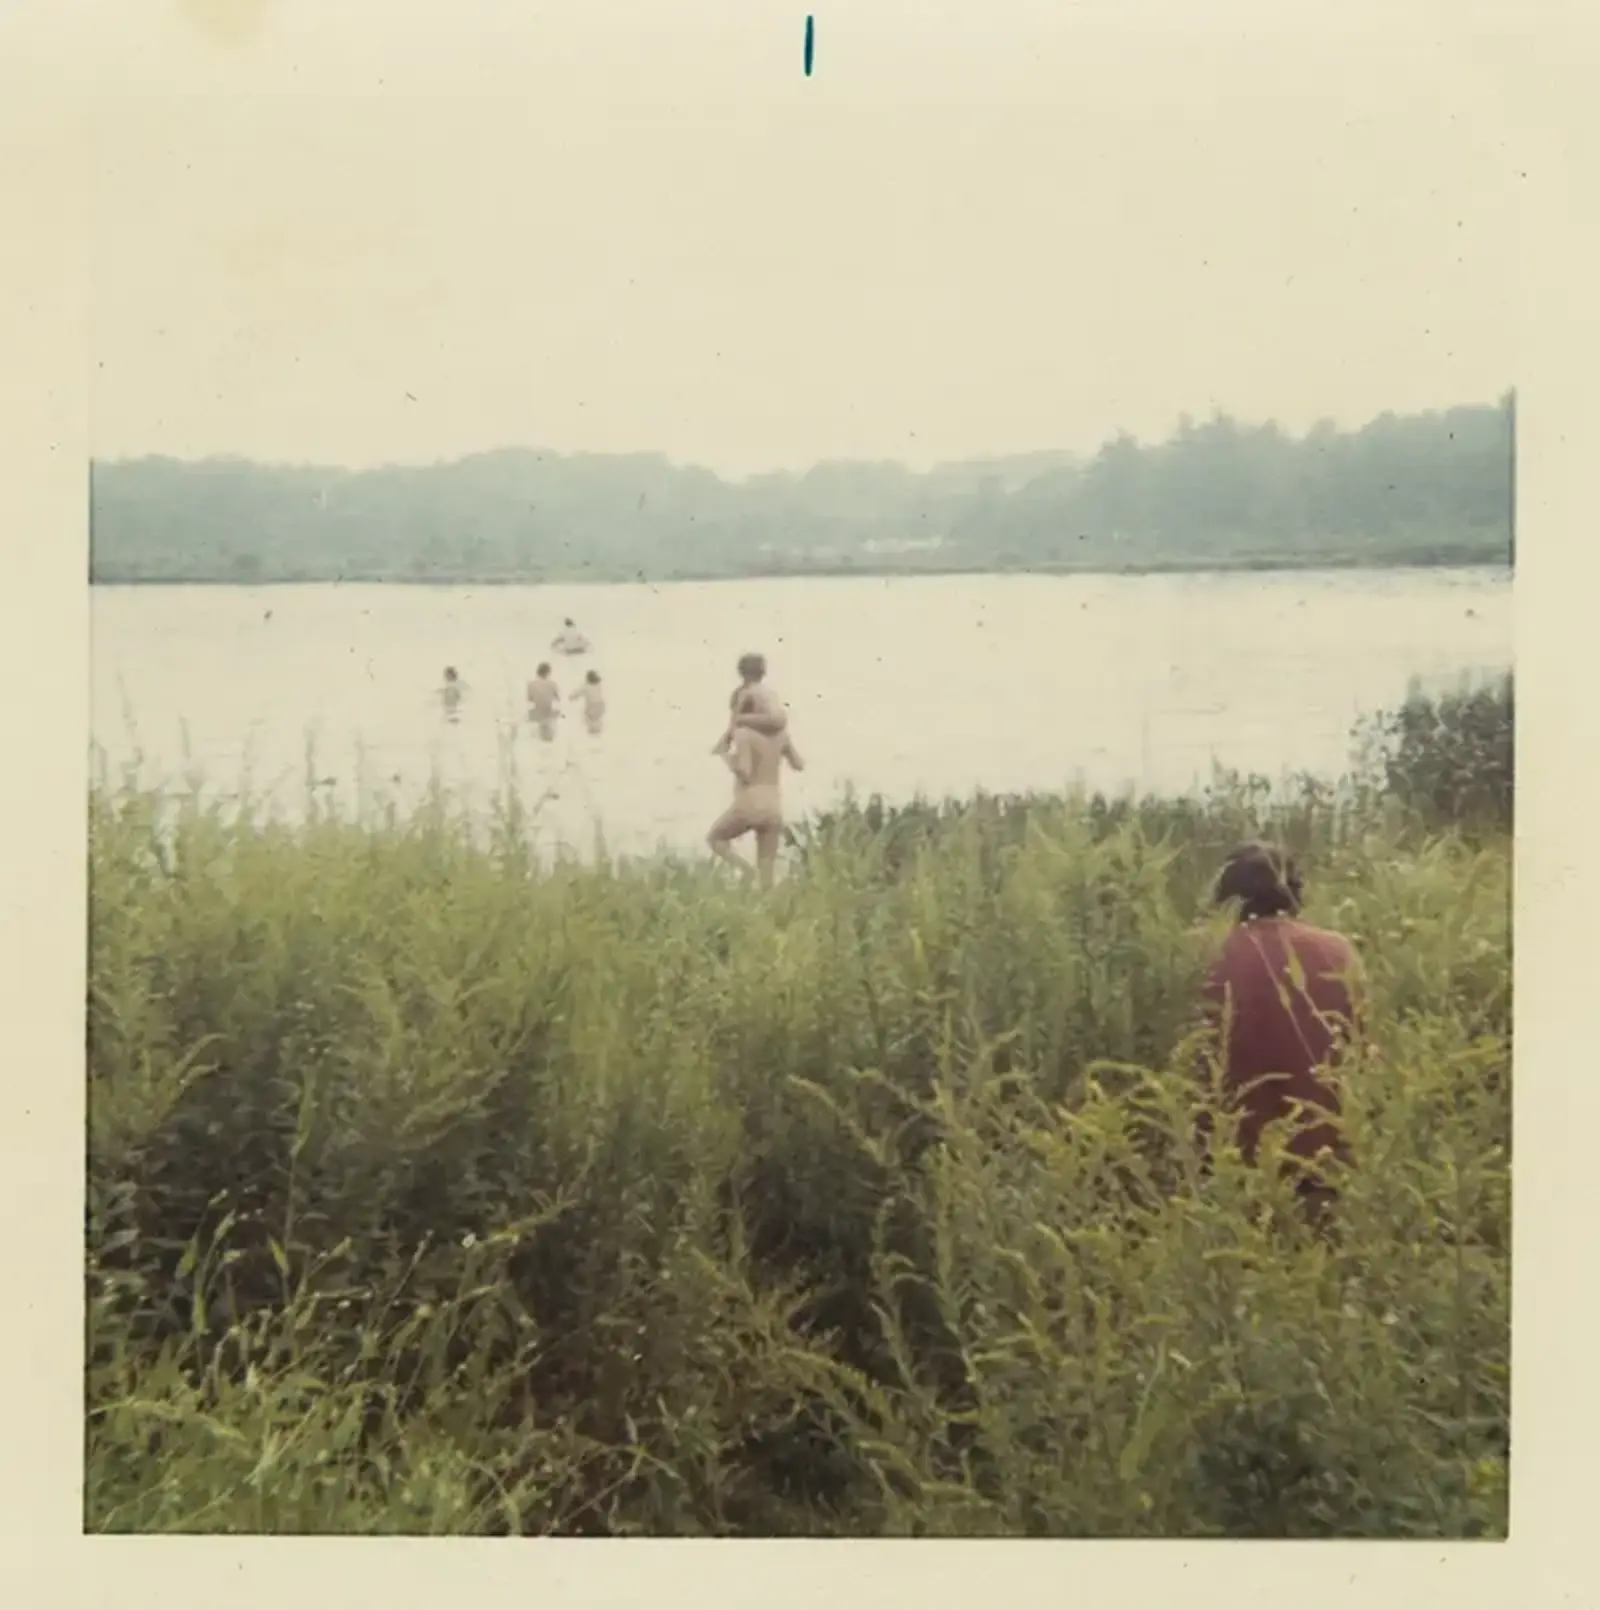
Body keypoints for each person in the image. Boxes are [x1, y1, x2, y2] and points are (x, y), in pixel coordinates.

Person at [1196, 842, 1365, 1224]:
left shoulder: (1199, 955)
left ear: (1226, 896)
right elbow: (1362, 1054)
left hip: (1228, 1171)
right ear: (1295, 892)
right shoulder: (1339, 951)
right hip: (1324, 1169)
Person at [708, 689, 805, 888]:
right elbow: (799, 765)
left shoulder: (743, 734)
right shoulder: (781, 736)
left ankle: (745, 870)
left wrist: (726, 758)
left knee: (716, 838)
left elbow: (745, 771)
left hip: (750, 803)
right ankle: (770, 910)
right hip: (773, 806)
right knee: (767, 872)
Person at [711, 651, 789, 755]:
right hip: (780, 719)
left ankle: (720, 750)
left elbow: (735, 720)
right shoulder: (768, 691)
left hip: (771, 719)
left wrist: (725, 741)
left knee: (738, 720)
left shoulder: (745, 691)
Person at [526, 661, 561, 740]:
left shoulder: (531, 684)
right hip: (548, 713)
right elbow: (557, 699)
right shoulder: (552, 684)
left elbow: (530, 699)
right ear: (548, 673)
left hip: (536, 714)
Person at [570, 668, 606, 733]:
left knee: (587, 718)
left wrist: (572, 697)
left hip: (592, 707)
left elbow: (577, 693)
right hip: (601, 706)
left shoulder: (587, 687)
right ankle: (598, 729)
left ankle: (592, 731)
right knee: (595, 719)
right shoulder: (599, 684)